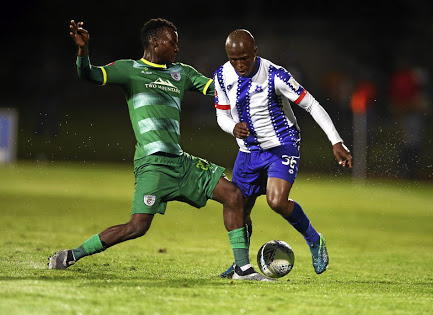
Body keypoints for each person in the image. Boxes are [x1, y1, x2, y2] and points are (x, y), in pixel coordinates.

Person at [48, 19, 274, 281]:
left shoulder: (182, 73)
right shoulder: (130, 70)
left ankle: (242, 269)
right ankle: (73, 254)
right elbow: (89, 74)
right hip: (152, 165)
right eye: (172, 42)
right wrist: (83, 51)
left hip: (180, 162)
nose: (177, 48)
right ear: (154, 42)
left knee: (233, 194)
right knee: (137, 227)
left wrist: (256, 84)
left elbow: (219, 89)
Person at [213, 29, 353, 277]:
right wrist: (232, 128)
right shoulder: (222, 76)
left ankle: (314, 240)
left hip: (281, 145)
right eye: (234, 59)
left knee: (276, 201)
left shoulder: (275, 75)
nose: (240, 64)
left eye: (244, 57)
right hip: (248, 152)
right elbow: (221, 115)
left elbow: (311, 104)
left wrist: (336, 141)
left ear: (255, 52)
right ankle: (241, 264)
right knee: (239, 208)